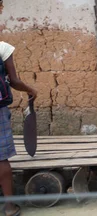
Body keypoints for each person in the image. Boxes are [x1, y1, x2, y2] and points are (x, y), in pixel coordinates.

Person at [0, 41, 38, 216]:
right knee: (1, 158)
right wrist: (30, 90)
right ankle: (9, 207)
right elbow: (14, 81)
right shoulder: (2, 48)